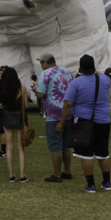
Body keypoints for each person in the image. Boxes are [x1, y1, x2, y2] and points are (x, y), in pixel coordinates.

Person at [57, 55, 111, 193]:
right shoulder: (105, 79)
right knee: (103, 153)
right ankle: (107, 182)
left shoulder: (76, 83)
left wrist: (61, 122)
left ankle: (91, 185)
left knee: (86, 154)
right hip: (103, 121)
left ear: (80, 67)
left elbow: (68, 104)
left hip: (84, 121)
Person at [34, 53, 74, 182]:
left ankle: (57, 175)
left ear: (46, 62)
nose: (41, 65)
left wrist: (35, 89)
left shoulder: (45, 74)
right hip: (68, 113)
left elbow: (40, 95)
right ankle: (67, 172)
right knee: (66, 146)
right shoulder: (67, 72)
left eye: (41, 63)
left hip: (53, 115)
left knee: (55, 146)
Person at [0, 67, 28, 183]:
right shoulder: (22, 89)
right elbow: (26, 106)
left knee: (9, 147)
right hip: (19, 117)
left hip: (8, 116)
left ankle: (11, 175)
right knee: (20, 147)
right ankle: (22, 175)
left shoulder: (3, 90)